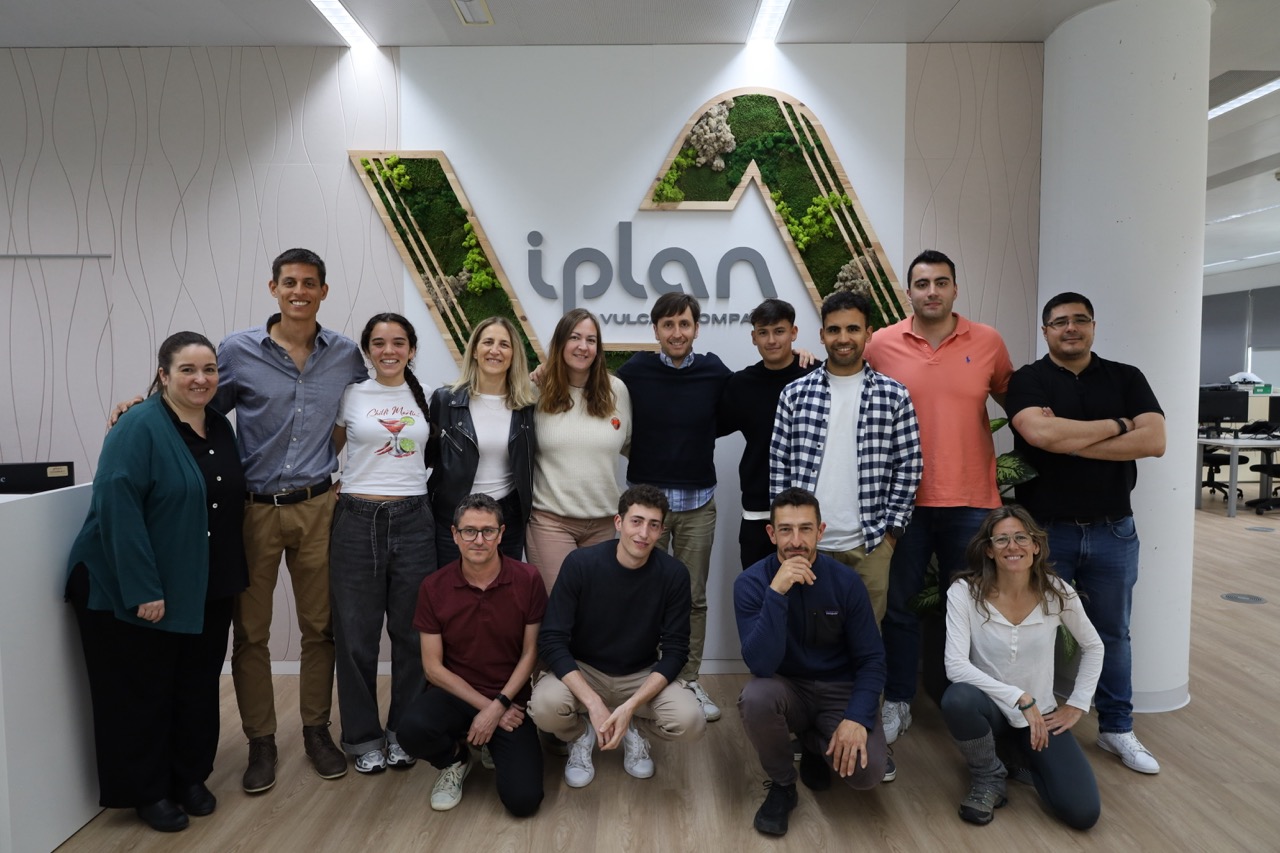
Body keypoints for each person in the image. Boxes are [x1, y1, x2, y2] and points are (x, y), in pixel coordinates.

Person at [67, 332, 248, 832]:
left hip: (206, 580)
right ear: (164, 375)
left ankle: (188, 777)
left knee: (196, 686)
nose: (201, 379)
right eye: (188, 370)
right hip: (135, 586)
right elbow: (117, 509)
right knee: (143, 693)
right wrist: (143, 588)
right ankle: (147, 791)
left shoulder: (219, 425)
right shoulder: (138, 426)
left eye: (209, 369)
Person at [217, 248, 368, 790]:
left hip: (317, 507)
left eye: (309, 283)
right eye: (289, 282)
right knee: (250, 633)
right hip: (253, 511)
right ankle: (261, 741)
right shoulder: (237, 351)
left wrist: (346, 465)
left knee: (320, 628)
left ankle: (315, 731)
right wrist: (140, 404)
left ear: (323, 291)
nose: (299, 292)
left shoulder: (346, 354)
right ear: (273, 288)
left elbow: (370, 410)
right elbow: (196, 406)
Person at [1006, 291, 1166, 775]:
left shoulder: (1126, 377)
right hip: (1044, 533)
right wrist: (1119, 426)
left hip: (1113, 530)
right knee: (1032, 632)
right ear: (1045, 331)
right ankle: (1030, 728)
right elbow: (1039, 435)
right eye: (1060, 322)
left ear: (1093, 326)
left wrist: (1069, 441)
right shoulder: (1029, 379)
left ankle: (1117, 728)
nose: (1070, 328)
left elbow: (1154, 440)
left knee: (1113, 633)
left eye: (1080, 320)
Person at [865, 249, 1014, 746]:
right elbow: (844, 377)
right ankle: (898, 700)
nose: (932, 291)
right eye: (922, 283)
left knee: (973, 609)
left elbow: (1018, 400)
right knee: (901, 608)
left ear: (954, 289)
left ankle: (968, 704)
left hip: (972, 501)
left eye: (941, 282)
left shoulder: (988, 341)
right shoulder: (881, 344)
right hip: (902, 502)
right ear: (909, 291)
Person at [734, 488, 889, 837]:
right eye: (786, 530)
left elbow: (872, 659)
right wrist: (776, 593)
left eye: (805, 529)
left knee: (866, 774)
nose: (796, 541)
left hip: (839, 690)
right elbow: (760, 665)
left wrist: (856, 718)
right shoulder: (751, 584)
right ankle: (783, 785)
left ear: (820, 531)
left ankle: (814, 743)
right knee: (755, 697)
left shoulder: (846, 582)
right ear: (771, 533)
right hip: (786, 688)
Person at [529, 485, 707, 788]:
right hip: (585, 670)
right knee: (545, 708)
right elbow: (552, 639)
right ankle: (581, 735)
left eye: (653, 525)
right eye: (636, 521)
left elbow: (676, 650)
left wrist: (630, 707)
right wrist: (593, 703)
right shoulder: (581, 564)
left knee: (691, 721)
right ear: (618, 522)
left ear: (661, 530)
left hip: (640, 674)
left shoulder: (673, 574)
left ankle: (633, 729)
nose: (643, 533)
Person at [942, 505, 1103, 829]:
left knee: (1083, 813)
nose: (1012, 546)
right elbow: (955, 666)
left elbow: (1094, 646)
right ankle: (988, 776)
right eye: (1001, 540)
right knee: (958, 699)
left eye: (1021, 538)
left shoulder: (1057, 592)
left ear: (1036, 546)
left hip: (1039, 716)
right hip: (989, 708)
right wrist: (1020, 697)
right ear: (989, 550)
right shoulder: (964, 592)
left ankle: (1017, 756)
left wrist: (1077, 704)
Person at [770, 289, 922, 624]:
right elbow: (779, 464)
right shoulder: (795, 394)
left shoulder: (894, 395)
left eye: (853, 329)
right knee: (806, 634)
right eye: (834, 330)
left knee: (865, 638)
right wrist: (787, 532)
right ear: (822, 334)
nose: (843, 338)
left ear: (868, 333)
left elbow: (909, 464)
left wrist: (891, 533)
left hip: (870, 544)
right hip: (807, 545)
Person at [615, 293, 732, 721]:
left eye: (684, 324)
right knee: (640, 594)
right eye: (668, 325)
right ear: (656, 330)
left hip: (698, 504)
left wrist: (800, 359)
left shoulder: (714, 371)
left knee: (693, 597)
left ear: (696, 328)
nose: (677, 332)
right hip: (647, 510)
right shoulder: (634, 372)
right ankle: (640, 681)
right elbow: (602, 405)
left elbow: (743, 402)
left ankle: (688, 680)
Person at [328, 313, 435, 774]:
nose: (388, 350)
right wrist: (333, 486)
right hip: (356, 522)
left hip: (415, 521)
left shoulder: (427, 395)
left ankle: (403, 732)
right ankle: (362, 737)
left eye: (398, 342)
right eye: (378, 342)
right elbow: (326, 451)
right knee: (356, 637)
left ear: (412, 349)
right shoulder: (351, 394)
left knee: (412, 635)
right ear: (367, 350)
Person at [397, 494, 547, 816]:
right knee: (409, 731)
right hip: (455, 695)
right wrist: (489, 711)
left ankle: (489, 741)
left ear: (501, 533)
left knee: (523, 801)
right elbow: (433, 669)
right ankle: (456, 758)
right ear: (454, 534)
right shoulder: (433, 587)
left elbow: (531, 653)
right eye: (469, 531)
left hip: (509, 699)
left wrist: (499, 706)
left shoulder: (528, 579)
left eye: (488, 531)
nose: (479, 540)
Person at [525, 308, 632, 592]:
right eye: (574, 337)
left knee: (596, 608)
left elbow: (631, 446)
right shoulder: (537, 390)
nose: (583, 346)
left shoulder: (617, 391)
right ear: (560, 343)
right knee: (560, 605)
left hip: (604, 524)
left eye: (591, 340)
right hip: (551, 522)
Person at [428, 316, 537, 568]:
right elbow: (428, 457)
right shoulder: (445, 400)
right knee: (452, 588)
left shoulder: (526, 406)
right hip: (453, 516)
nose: (495, 350)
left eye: (504, 344)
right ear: (475, 351)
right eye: (488, 342)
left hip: (507, 519)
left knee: (503, 589)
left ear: (513, 355)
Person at [718, 298, 817, 569]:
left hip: (807, 509)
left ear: (793, 333)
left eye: (779, 331)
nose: (771, 340)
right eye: (763, 332)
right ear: (754, 338)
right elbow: (707, 426)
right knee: (757, 588)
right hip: (758, 510)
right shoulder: (741, 384)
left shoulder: (815, 376)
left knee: (807, 590)